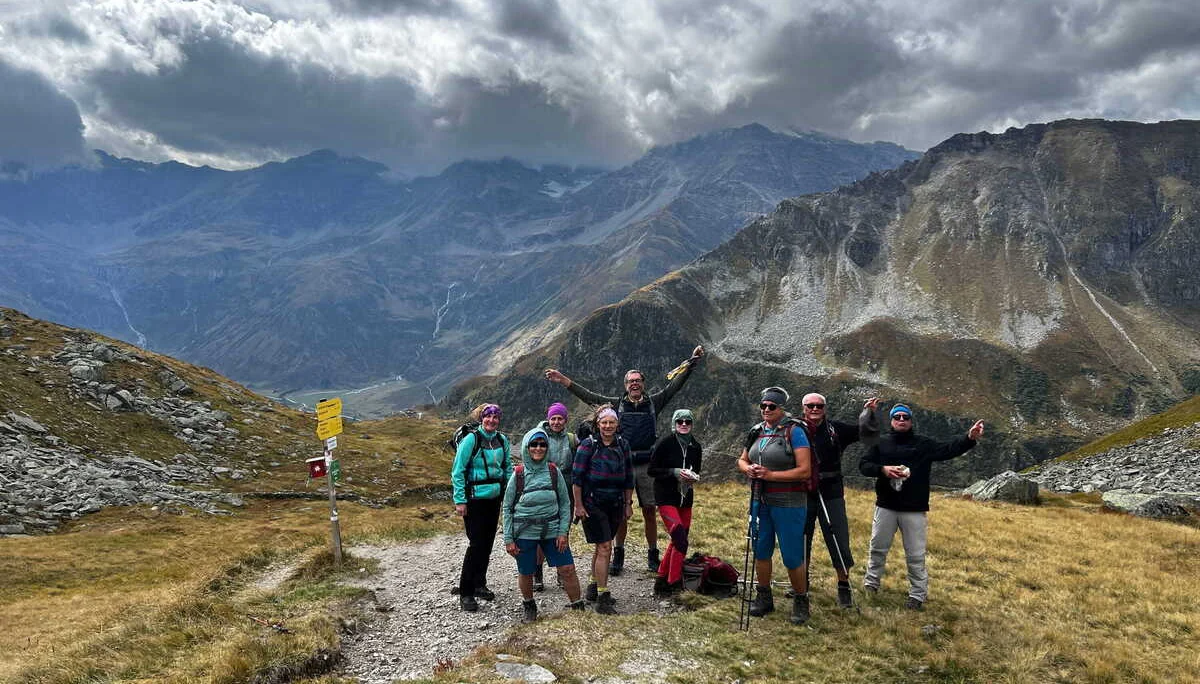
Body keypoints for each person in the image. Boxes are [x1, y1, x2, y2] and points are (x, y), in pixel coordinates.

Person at [545, 344, 704, 575]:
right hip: (623, 465)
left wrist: (692, 363)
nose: (635, 384)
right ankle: (618, 554)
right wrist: (563, 381)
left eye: (638, 380)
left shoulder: (654, 402)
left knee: (649, 510)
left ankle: (652, 554)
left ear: (643, 383)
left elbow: (674, 388)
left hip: (647, 465)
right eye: (631, 381)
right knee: (620, 513)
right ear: (626, 385)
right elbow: (589, 396)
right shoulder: (615, 405)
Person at [858, 403, 985, 611]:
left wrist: (969, 438)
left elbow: (948, 450)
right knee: (877, 548)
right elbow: (864, 466)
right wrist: (883, 470)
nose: (901, 420)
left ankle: (917, 594)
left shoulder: (923, 444)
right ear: (891, 421)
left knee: (915, 554)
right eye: (897, 417)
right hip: (886, 506)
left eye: (905, 418)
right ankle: (871, 584)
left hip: (914, 508)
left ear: (910, 421)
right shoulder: (880, 443)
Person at [736, 387, 814, 625]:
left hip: (789, 502)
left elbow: (805, 470)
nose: (766, 410)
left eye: (772, 406)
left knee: (791, 556)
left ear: (782, 408)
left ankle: (801, 600)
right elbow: (742, 459)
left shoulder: (795, 431)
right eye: (763, 406)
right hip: (760, 500)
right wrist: (747, 469)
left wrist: (770, 475)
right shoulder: (756, 431)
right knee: (760, 550)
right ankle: (764, 597)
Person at [796, 393, 880, 609]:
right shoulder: (793, 429)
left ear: (825, 407)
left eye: (819, 405)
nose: (815, 409)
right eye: (810, 405)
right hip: (802, 490)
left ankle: (843, 586)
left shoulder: (836, 429)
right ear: (803, 407)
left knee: (838, 536)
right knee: (800, 537)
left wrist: (868, 414)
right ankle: (800, 584)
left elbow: (864, 433)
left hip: (831, 490)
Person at [504, 428, 585, 621]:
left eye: (542, 444)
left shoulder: (553, 471)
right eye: (534, 444)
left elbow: (565, 503)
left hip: (553, 531)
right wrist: (508, 539)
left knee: (567, 568)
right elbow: (507, 507)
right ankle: (529, 606)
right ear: (526, 446)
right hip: (524, 532)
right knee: (526, 571)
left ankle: (578, 607)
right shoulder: (518, 474)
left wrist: (563, 532)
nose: (538, 448)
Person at [571, 406, 634, 615]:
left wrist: (628, 504)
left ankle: (592, 585)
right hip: (592, 503)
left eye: (611, 422)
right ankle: (603, 596)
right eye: (604, 422)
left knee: (601, 547)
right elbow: (577, 479)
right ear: (598, 424)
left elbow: (628, 477)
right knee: (606, 547)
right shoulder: (587, 446)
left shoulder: (623, 445)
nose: (608, 426)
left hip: (615, 503)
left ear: (617, 424)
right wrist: (578, 506)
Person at [450, 403, 512, 612]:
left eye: (496, 417)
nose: (492, 420)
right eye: (488, 417)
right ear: (481, 418)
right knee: (476, 544)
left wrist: (510, 492)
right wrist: (460, 500)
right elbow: (458, 471)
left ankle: (479, 584)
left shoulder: (502, 440)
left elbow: (507, 468)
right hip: (474, 499)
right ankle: (466, 591)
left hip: (494, 499)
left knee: (487, 544)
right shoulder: (471, 440)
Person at [646, 408, 703, 596]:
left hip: (685, 498)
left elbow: (698, 470)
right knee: (680, 539)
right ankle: (674, 582)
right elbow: (652, 470)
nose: (684, 424)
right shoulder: (665, 443)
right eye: (680, 422)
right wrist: (674, 472)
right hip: (666, 497)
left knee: (679, 540)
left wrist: (693, 478)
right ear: (674, 424)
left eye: (688, 421)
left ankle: (661, 581)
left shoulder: (696, 446)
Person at [527, 402, 579, 591]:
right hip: (544, 490)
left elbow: (578, 462)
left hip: (566, 489)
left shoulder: (572, 439)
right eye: (553, 418)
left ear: (566, 420)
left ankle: (561, 572)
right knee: (541, 533)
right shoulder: (539, 437)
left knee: (562, 531)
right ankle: (537, 574)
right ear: (548, 419)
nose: (557, 422)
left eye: (560, 418)